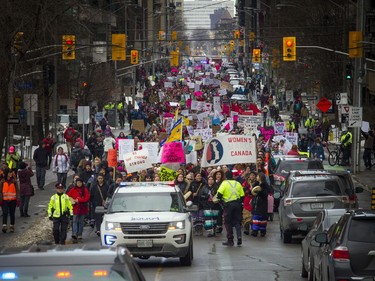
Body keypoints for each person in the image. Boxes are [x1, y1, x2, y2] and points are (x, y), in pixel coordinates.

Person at [216, 170, 245, 246]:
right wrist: (239, 202)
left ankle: (230, 240)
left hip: (228, 205)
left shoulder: (224, 183)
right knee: (237, 221)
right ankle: (239, 236)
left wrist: (222, 203)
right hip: (237, 204)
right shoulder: (238, 183)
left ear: (225, 176)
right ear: (232, 176)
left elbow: (219, 195)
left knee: (227, 222)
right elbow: (242, 195)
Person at [67, 178, 90, 243]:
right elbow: (67, 196)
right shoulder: (73, 189)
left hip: (82, 208)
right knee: (74, 221)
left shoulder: (85, 190)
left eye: (80, 182)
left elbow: (87, 198)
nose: (79, 184)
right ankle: (74, 233)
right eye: (78, 183)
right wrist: (72, 200)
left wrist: (79, 200)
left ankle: (79, 234)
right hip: (75, 208)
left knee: (81, 221)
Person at [251, 172, 270, 237]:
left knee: (262, 219)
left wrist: (260, 192)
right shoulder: (256, 184)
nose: (256, 177)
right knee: (256, 218)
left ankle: (262, 231)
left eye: (257, 176)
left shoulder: (265, 185)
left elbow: (265, 195)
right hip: (256, 204)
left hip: (262, 204)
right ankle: (255, 231)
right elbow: (253, 193)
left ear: (260, 177)